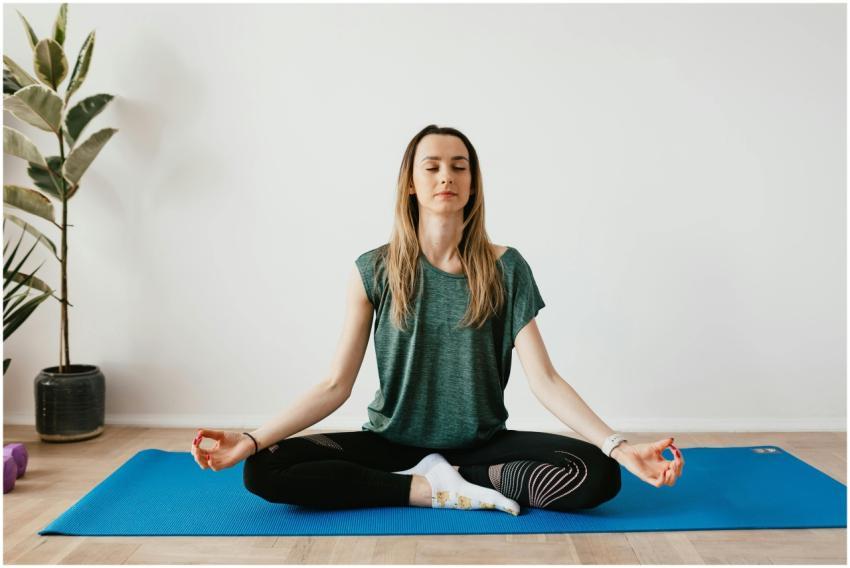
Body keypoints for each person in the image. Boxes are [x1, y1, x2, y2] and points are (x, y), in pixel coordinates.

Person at [190, 125, 685, 515]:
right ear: (411, 182)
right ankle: (428, 489)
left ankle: (463, 482)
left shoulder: (505, 268)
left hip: (482, 446)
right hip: (392, 444)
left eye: (458, 167)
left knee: (598, 475)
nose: (446, 176)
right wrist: (252, 438)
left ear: (472, 183)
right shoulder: (374, 269)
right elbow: (334, 384)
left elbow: (546, 380)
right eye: (432, 167)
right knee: (265, 468)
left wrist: (618, 446)